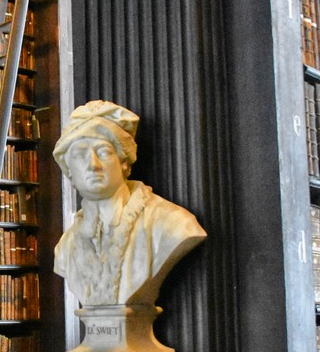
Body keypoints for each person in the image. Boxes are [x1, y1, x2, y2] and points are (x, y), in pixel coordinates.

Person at [53, 100, 206, 307]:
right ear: (69, 170)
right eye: (80, 155)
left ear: (124, 162)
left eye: (104, 152)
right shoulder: (66, 246)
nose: (93, 165)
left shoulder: (172, 224)